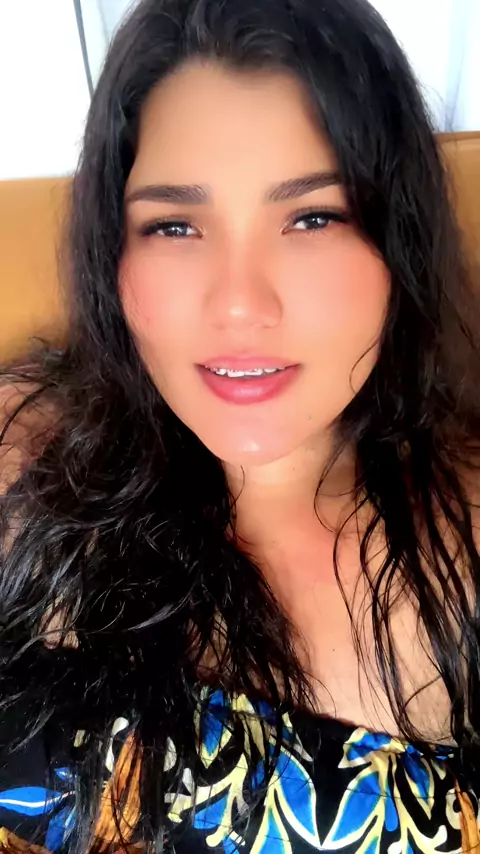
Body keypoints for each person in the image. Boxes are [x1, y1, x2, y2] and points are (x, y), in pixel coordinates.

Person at [1, 0, 480, 851]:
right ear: (114, 251)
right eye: (174, 225)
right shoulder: (27, 450)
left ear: (395, 237)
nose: (238, 306)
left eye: (312, 218)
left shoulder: (465, 548)